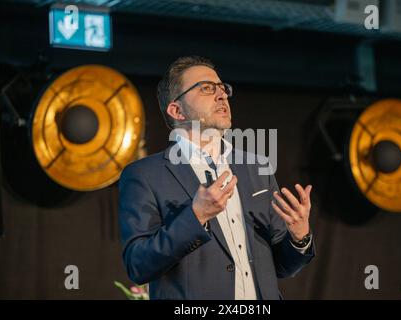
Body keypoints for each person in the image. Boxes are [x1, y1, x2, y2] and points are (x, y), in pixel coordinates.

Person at [118, 56, 315, 300]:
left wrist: (299, 236)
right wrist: (196, 216)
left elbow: (282, 267)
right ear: (176, 110)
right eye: (207, 88)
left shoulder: (256, 167)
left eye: (223, 88)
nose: (222, 95)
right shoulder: (144, 175)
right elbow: (138, 265)